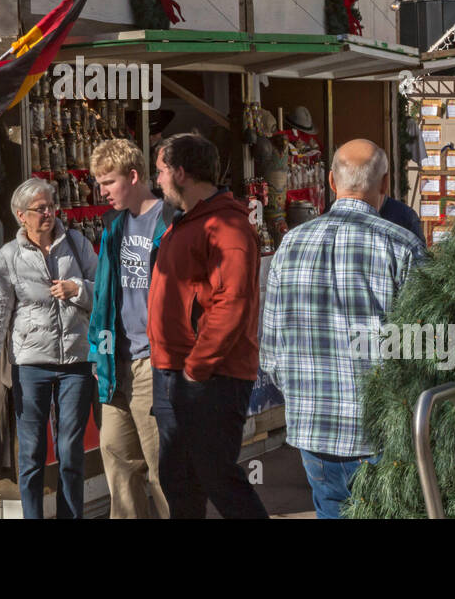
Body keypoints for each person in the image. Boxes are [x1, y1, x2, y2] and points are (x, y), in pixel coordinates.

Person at [261, 139, 427, 518]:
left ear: (333, 183)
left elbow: (271, 350)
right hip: (379, 434)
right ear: (384, 185)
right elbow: (423, 348)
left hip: (314, 432)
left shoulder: (290, 244)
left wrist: (305, 396)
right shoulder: (401, 246)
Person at [149, 133, 268, 519]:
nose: (158, 181)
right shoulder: (187, 222)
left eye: (161, 171)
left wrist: (195, 370)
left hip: (209, 377)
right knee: (180, 481)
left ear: (181, 172)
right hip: (179, 372)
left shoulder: (225, 226)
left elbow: (232, 303)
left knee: (218, 479)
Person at [0, 177, 97, 518]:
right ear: (21, 215)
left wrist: (78, 289)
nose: (48, 213)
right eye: (40, 208)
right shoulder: (9, 257)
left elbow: (103, 290)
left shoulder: (76, 243)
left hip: (76, 360)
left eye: (51, 206)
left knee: (70, 451)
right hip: (30, 365)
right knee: (31, 452)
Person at [89, 138, 176, 518]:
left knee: (162, 470)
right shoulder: (114, 226)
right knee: (119, 465)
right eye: (99, 183)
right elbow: (105, 296)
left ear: (135, 176)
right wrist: (98, 349)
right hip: (114, 361)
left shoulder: (170, 220)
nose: (102, 191)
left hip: (153, 361)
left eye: (108, 182)